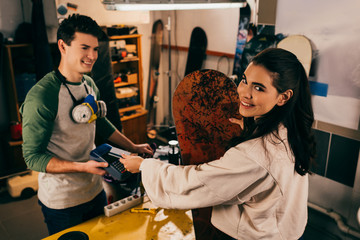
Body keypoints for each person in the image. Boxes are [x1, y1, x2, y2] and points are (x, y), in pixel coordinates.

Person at [120, 48, 316, 240]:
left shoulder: (254, 155)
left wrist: (144, 166)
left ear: (284, 97)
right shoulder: (290, 131)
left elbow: (195, 183)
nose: (244, 93)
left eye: (258, 88)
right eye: (244, 81)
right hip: (287, 229)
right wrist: (251, 129)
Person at [20, 14, 153, 235]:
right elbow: (32, 157)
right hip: (62, 201)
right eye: (84, 48)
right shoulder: (42, 97)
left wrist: (134, 147)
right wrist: (82, 167)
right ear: (63, 46)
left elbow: (100, 124)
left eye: (95, 49)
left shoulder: (89, 84)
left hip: (94, 191)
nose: (92, 56)